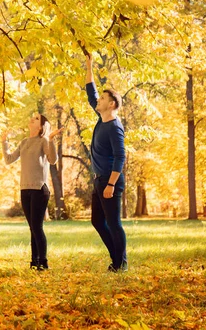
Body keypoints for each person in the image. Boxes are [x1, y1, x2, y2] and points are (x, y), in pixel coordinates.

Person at [85, 53, 128, 272]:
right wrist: (89, 66)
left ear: (111, 104)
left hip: (110, 182)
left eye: (102, 100)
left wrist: (111, 184)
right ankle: (117, 260)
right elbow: (91, 93)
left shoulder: (114, 127)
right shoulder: (102, 119)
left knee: (113, 223)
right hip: (99, 180)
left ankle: (121, 264)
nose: (97, 102)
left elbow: (121, 157)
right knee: (97, 222)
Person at [2, 113, 62, 270]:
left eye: (36, 119)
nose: (32, 119)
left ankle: (43, 262)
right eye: (33, 117)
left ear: (41, 126)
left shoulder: (43, 141)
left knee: (37, 227)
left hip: (39, 189)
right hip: (25, 189)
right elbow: (8, 159)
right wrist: (4, 142)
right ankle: (34, 262)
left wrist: (51, 139)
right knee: (32, 227)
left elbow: (52, 160)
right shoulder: (23, 142)